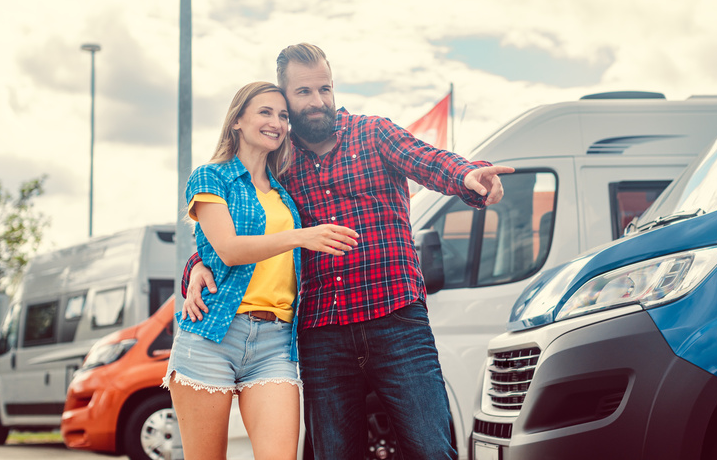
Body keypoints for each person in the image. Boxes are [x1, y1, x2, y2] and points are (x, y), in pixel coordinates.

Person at [183, 44, 514, 460]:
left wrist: (469, 176)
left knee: (432, 449)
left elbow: (429, 160)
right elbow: (241, 224)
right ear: (286, 98)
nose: (318, 101)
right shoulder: (279, 163)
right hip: (323, 333)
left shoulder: (373, 133)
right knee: (334, 453)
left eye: (325, 88)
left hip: (396, 320)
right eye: (304, 92)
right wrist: (197, 264)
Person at [164, 81, 358, 460]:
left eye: (283, 115)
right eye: (265, 112)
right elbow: (229, 249)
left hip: (275, 342)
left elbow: (216, 253)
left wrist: (198, 264)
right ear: (237, 120)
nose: (278, 122)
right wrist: (300, 236)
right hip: (213, 335)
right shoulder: (210, 177)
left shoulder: (285, 191)